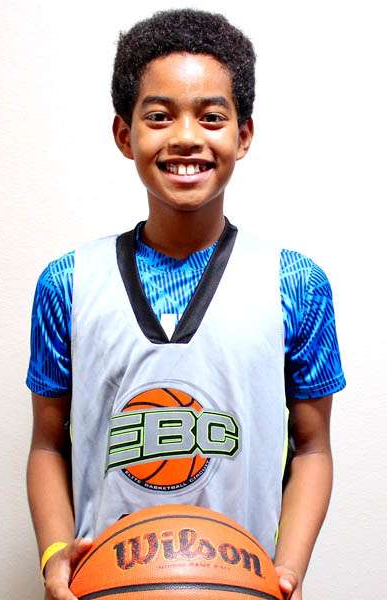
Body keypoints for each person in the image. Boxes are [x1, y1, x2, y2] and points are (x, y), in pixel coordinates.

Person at [26, 9, 346, 600]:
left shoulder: (296, 283)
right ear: (125, 134)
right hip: (108, 583)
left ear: (243, 135)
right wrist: (53, 557)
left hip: (241, 581)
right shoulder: (67, 282)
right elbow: (47, 444)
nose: (185, 137)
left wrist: (289, 570)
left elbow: (313, 448)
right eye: (159, 115)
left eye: (211, 116)